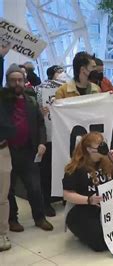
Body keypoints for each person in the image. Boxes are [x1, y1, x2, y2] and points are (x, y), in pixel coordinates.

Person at [0, 64, 53, 233]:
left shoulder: (30, 100)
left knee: (35, 187)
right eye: (13, 80)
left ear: (24, 81)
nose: (17, 83)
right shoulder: (2, 100)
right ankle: (12, 219)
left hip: (29, 151)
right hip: (8, 152)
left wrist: (42, 142)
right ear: (7, 82)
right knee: (8, 190)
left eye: (20, 80)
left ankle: (39, 217)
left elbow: (40, 124)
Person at [63, 132, 113, 251]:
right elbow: (67, 194)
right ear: (89, 150)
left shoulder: (106, 161)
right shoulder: (76, 168)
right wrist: (88, 200)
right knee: (101, 244)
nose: (103, 148)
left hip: (104, 207)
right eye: (99, 146)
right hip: (82, 208)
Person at [34, 65, 68, 217]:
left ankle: (66, 197)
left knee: (66, 168)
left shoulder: (68, 89)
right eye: (59, 72)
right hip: (48, 136)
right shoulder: (40, 90)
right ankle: (46, 202)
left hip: (64, 134)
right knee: (46, 171)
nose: (62, 74)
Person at [0, 44, 13, 252]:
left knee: (2, 197)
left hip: (1, 148)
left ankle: (2, 233)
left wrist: (1, 57)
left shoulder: (3, 95)